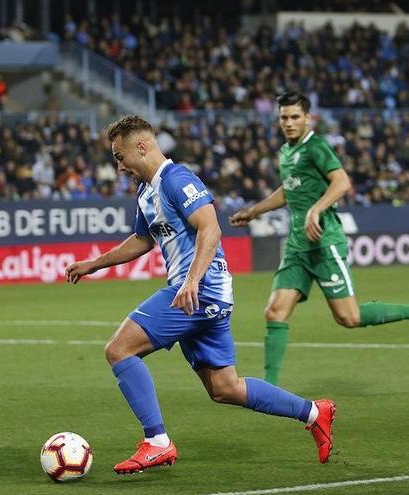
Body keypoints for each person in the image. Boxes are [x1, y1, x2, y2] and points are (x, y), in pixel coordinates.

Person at [65, 115, 336, 474]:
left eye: (120, 155)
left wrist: (192, 280)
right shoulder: (146, 190)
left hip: (199, 290)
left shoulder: (177, 179)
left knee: (119, 349)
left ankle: (157, 442)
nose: (119, 166)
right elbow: (143, 239)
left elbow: (210, 227)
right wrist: (95, 263)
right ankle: (315, 412)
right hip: (198, 293)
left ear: (142, 146)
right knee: (225, 388)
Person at [229, 92, 409, 386]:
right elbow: (289, 189)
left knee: (349, 317)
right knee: (275, 311)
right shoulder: (286, 151)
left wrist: (316, 210)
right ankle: (269, 387)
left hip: (324, 242)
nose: (289, 123)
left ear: (308, 118)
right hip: (297, 246)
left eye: (295, 117)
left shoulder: (316, 147)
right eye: (284, 117)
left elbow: (342, 181)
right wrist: (255, 211)